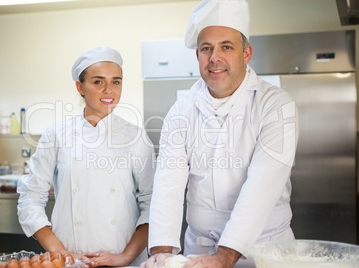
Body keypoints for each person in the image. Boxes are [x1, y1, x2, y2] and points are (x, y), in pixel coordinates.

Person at [141, 0, 299, 267]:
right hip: (198, 249)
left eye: (226, 47)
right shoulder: (181, 110)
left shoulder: (276, 105)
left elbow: (262, 186)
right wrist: (160, 252)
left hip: (265, 250)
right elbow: (168, 183)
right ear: (198, 56)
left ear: (246, 53)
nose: (215, 58)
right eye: (206, 49)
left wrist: (224, 256)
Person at [17, 47, 155, 267]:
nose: (109, 90)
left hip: (123, 261)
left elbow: (153, 203)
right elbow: (30, 198)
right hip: (70, 260)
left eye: (116, 82)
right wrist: (63, 254)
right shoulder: (56, 135)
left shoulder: (135, 136)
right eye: (98, 82)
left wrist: (125, 257)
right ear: (80, 87)